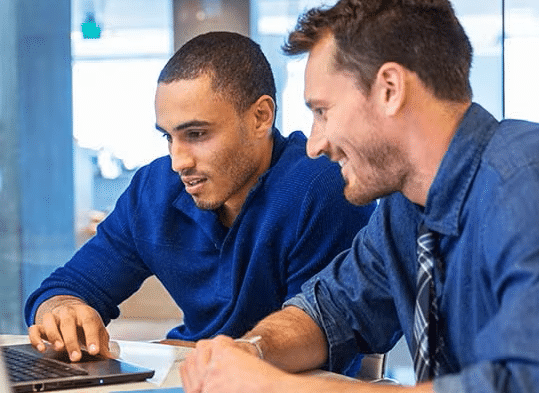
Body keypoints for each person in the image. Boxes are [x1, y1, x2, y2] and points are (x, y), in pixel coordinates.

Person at [179, 0, 539, 393]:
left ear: (390, 90)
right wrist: (249, 354)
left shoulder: (538, 179)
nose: (314, 144)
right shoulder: (404, 209)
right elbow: (332, 311)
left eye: (322, 112)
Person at [25, 31, 375, 364]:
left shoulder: (321, 188)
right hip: (187, 386)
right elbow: (67, 286)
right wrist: (61, 309)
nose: (179, 161)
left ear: (260, 117)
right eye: (168, 137)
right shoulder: (155, 189)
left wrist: (202, 354)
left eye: (196, 134)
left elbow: (322, 336)